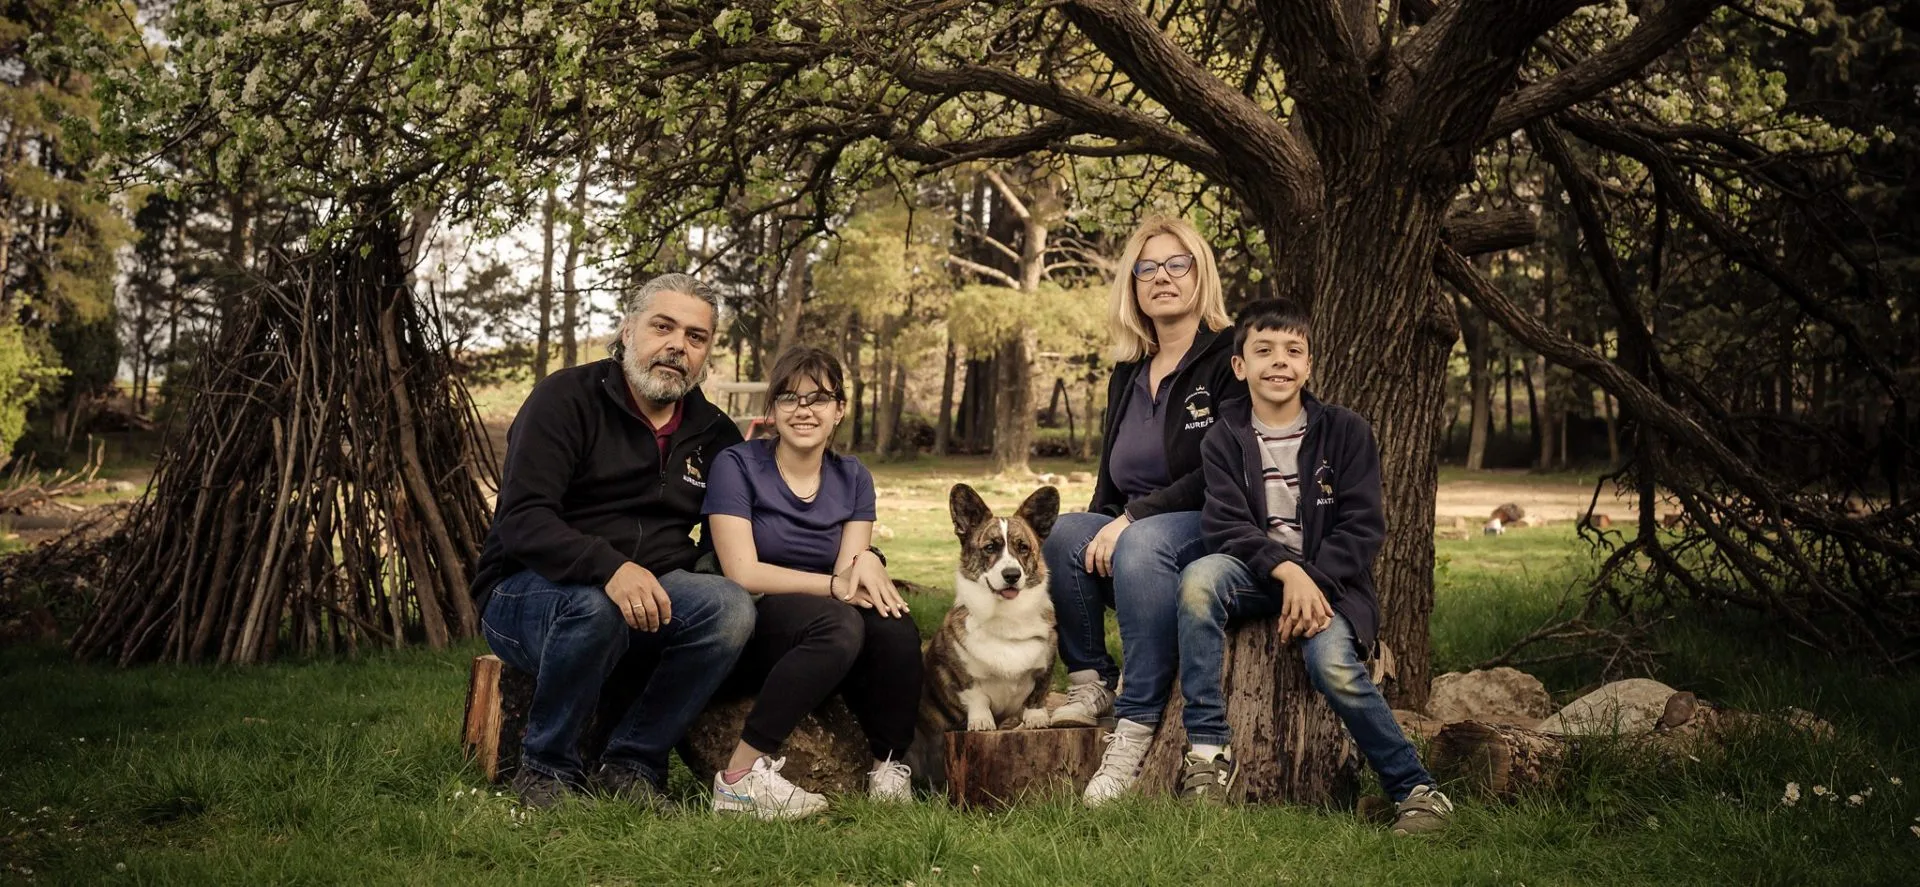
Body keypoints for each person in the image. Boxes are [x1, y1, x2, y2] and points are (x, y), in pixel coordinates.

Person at [1120, 298, 1452, 833]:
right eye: (1264, 350)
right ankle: (1208, 752)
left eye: (1293, 351)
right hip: (1259, 576)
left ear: (1309, 365)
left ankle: (1416, 789)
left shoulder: (1345, 431)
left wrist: (1310, 581)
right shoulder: (1224, 438)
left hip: (1332, 586)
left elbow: (1362, 528)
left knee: (1333, 666)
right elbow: (1226, 526)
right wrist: (1287, 571)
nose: (1280, 361)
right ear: (1239, 366)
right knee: (1199, 580)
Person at [472, 273, 756, 810]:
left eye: (695, 337)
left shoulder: (713, 432)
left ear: (706, 353)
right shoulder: (565, 399)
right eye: (663, 327)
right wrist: (609, 568)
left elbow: (745, 523)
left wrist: (861, 558)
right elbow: (523, 520)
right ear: (627, 331)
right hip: (527, 591)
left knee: (729, 607)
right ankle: (546, 770)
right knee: (593, 607)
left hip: (649, 594)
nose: (678, 346)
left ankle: (632, 764)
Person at [1042, 217, 1243, 773]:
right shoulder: (1128, 370)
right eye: (1146, 268)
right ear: (1132, 284)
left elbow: (1222, 466)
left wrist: (1131, 519)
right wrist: (1100, 524)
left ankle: (1135, 725)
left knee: (1141, 541)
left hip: (1211, 521)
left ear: (1201, 275)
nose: (1162, 277)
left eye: (1177, 264)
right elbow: (1111, 475)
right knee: (1062, 534)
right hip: (1137, 524)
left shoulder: (1229, 356)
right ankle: (1092, 682)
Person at [702, 346, 922, 819]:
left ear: (839, 409)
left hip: (823, 611)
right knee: (838, 624)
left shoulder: (853, 476)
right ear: (773, 409)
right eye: (789, 397)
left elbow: (850, 575)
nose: (803, 409)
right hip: (750, 615)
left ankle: (887, 767)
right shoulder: (736, 465)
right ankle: (738, 780)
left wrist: (866, 564)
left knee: (895, 622)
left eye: (819, 398)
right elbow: (743, 572)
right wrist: (838, 586)